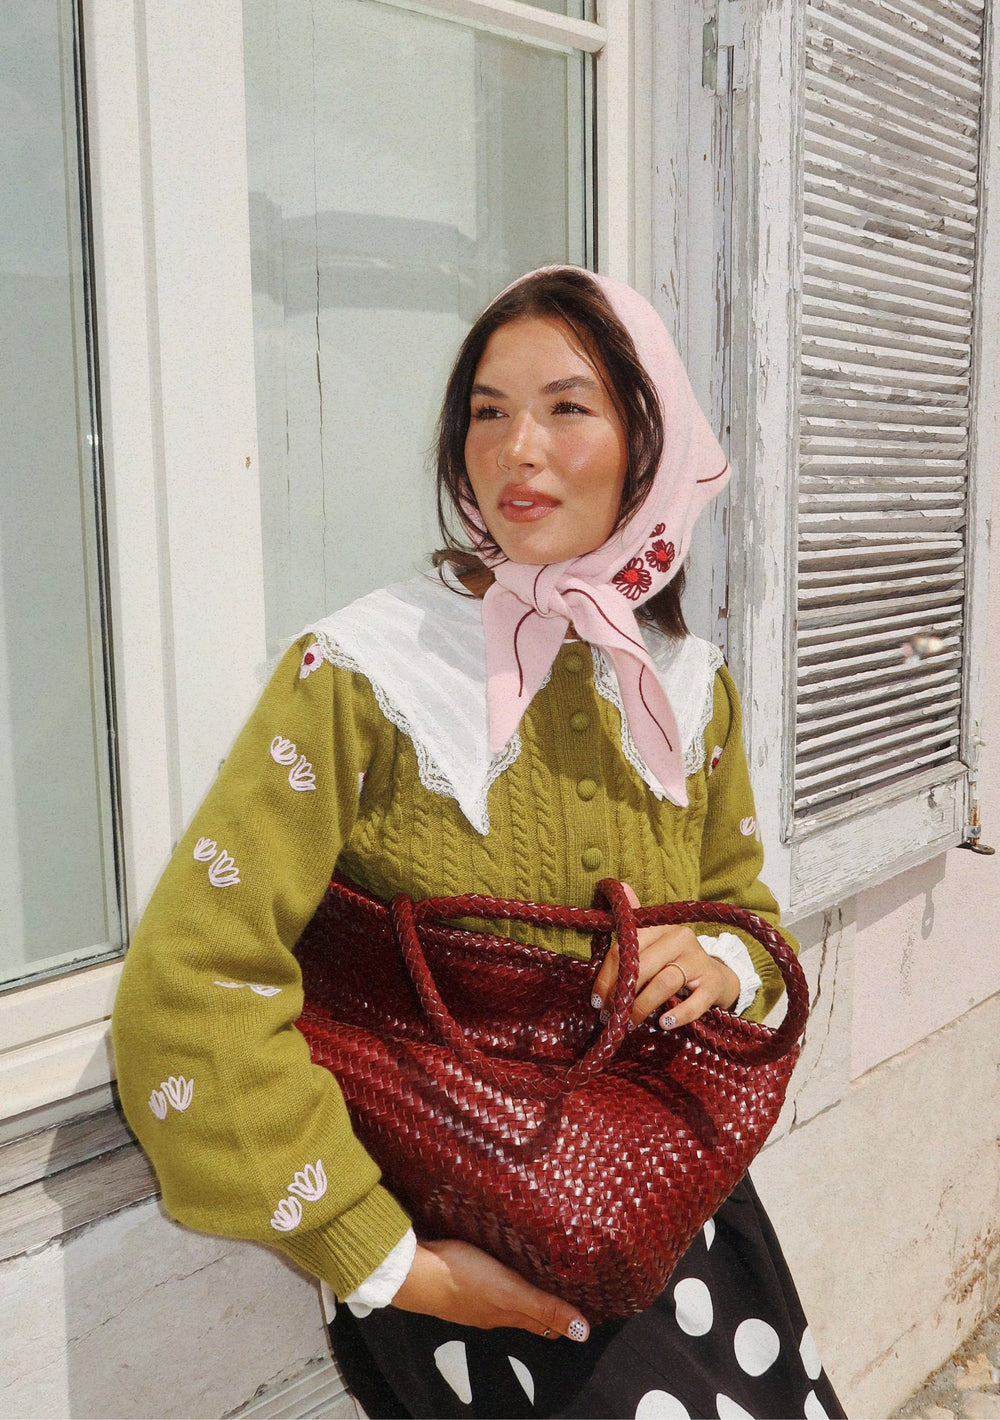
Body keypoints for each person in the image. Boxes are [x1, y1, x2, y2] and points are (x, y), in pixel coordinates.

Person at [113, 267, 845, 1420]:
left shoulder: (686, 688)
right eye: (487, 412)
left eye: (566, 406)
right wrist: (389, 1262)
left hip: (664, 1209)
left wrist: (719, 958)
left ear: (649, 439)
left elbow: (737, 899)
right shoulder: (362, 673)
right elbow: (193, 983)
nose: (517, 449)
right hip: (465, 1244)